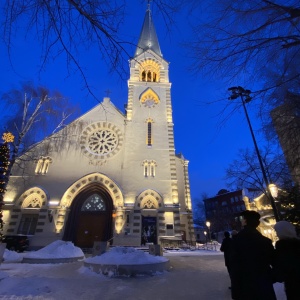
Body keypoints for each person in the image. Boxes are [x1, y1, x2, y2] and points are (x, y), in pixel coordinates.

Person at [231, 210, 276, 300]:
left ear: (245, 221)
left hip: (246, 285)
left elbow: (235, 267)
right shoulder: (265, 241)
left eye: (242, 219)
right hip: (264, 285)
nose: (240, 221)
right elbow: (274, 262)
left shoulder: (237, 241)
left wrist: (235, 290)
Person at [273, 220, 300, 300]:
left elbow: (282, 263)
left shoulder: (282, 245)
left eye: (277, 231)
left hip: (292, 280)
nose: (276, 234)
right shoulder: (297, 242)